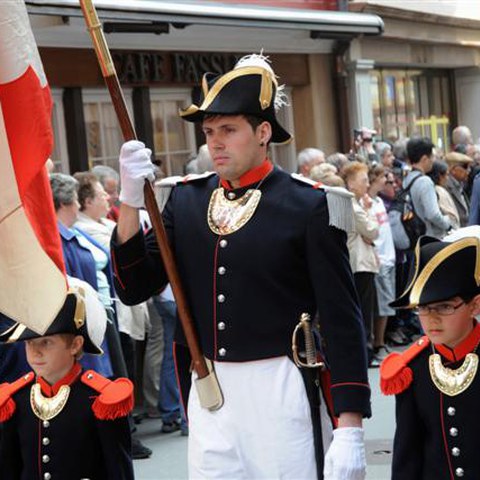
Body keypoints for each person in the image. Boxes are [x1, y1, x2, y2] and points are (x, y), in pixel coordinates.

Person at [111, 54, 371, 479]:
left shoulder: (309, 204)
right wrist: (128, 201)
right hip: (209, 386)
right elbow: (133, 286)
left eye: (229, 130)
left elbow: (343, 320)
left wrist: (350, 426)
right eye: (210, 131)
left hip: (281, 386)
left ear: (263, 132)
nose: (215, 142)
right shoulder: (186, 200)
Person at [0, 280, 134, 480]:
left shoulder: (99, 399)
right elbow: (8, 469)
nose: (35, 352)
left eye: (46, 342)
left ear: (75, 345)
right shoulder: (16, 399)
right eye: (29, 343)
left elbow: (118, 470)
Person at [380, 230, 480, 479]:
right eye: (422, 308)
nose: (431, 318)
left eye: (444, 306)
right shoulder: (412, 368)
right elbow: (407, 456)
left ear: (474, 306)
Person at [342, 162, 380, 367]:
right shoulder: (354, 205)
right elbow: (372, 231)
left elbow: (370, 234)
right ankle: (366, 352)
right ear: (351, 183)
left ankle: (367, 350)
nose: (367, 184)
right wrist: (369, 210)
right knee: (364, 310)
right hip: (360, 263)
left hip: (362, 261)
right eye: (363, 180)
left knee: (365, 309)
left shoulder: (354, 204)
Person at [403, 137, 451, 239]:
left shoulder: (407, 179)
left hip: (414, 237)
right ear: (424, 159)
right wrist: (447, 223)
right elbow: (433, 214)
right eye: (432, 156)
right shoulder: (425, 182)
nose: (433, 160)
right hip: (429, 239)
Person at [427, 160, 460, 230]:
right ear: (440, 176)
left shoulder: (433, 189)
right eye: (447, 175)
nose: (447, 178)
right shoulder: (439, 191)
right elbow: (451, 215)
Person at [444, 151, 472, 227]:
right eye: (465, 167)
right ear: (453, 169)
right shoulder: (446, 186)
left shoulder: (461, 184)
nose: (469, 171)